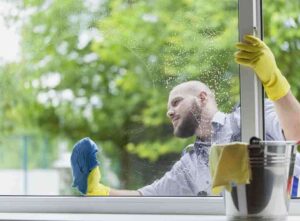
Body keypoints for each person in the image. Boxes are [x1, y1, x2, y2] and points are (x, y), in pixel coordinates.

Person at [71, 35, 300, 196]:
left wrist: (274, 80)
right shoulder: (190, 165)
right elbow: (145, 199)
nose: (169, 111)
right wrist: (99, 191)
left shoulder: (251, 116)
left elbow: (296, 131)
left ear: (202, 97)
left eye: (176, 102)